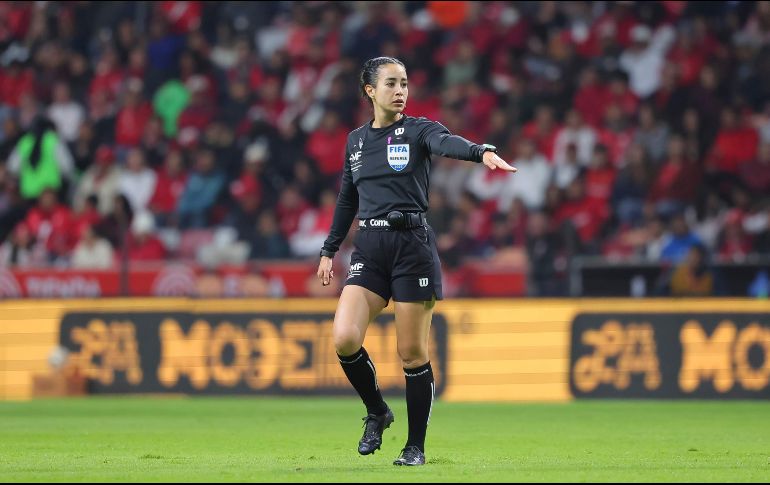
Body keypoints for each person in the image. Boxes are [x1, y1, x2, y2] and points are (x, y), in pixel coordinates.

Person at [316, 57, 516, 466]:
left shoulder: (419, 129)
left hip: (412, 246)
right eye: (391, 83)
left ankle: (415, 447)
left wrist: (481, 153)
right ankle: (377, 411)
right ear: (370, 90)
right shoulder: (355, 141)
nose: (401, 90)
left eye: (404, 83)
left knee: (411, 352)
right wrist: (329, 249)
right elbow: (346, 199)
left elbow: (448, 143)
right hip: (369, 247)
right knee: (344, 337)